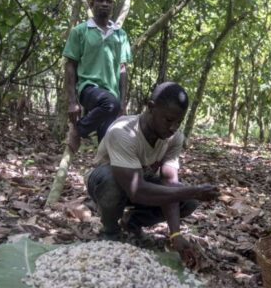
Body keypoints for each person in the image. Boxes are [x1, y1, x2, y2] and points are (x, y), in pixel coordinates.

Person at [85, 82, 219, 268]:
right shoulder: (123, 131)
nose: (173, 127)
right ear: (151, 107)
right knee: (112, 183)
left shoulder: (174, 138)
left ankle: (132, 222)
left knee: (187, 202)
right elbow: (136, 190)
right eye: (168, 120)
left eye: (178, 122)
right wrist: (193, 190)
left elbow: (169, 182)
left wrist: (175, 234)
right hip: (106, 182)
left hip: (140, 183)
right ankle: (110, 232)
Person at [63, 0, 132, 152]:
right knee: (109, 104)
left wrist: (122, 103)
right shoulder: (80, 31)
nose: (104, 4)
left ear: (112, 6)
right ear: (92, 4)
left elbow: (122, 69)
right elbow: (70, 65)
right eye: (100, 0)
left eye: (108, 1)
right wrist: (72, 102)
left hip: (112, 95)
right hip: (89, 88)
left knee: (107, 148)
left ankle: (98, 176)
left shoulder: (120, 34)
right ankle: (77, 131)